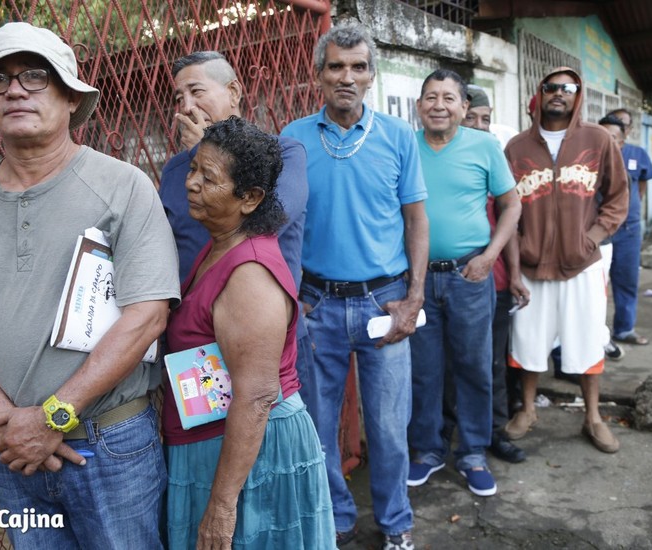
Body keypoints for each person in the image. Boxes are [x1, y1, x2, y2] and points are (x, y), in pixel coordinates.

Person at [0, 22, 179, 548]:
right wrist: (8, 422)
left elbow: (147, 317)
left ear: (70, 98)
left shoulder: (123, 186)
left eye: (35, 76)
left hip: (107, 443)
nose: (15, 90)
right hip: (11, 450)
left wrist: (53, 417)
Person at [281, 21, 428, 550]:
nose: (347, 77)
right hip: (316, 304)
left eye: (358, 67)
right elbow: (281, 222)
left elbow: (416, 220)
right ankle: (337, 517)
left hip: (384, 302)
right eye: (336, 66)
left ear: (371, 76)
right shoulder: (293, 138)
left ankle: (395, 522)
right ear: (319, 74)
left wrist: (414, 297)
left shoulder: (398, 136)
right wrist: (290, 294)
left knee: (388, 427)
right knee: (317, 427)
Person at [161, 117, 334, 549]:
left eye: (208, 177)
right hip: (217, 442)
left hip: (250, 453)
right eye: (193, 169)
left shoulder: (250, 273)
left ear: (250, 198)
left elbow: (256, 397)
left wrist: (222, 505)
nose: (191, 183)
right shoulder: (220, 245)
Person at [158, 51, 316, 415]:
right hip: (198, 347)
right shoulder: (175, 171)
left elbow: (270, 218)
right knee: (210, 442)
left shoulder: (284, 153)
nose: (187, 106)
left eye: (197, 91)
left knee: (281, 435)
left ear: (233, 92)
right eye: (179, 98)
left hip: (272, 341)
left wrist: (206, 152)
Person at [406, 71, 520, 498]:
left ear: (464, 107)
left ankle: (472, 453)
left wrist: (489, 256)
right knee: (424, 370)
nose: (439, 105)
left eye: (449, 98)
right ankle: (427, 449)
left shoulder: (484, 146)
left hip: (468, 277)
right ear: (419, 105)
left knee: (474, 367)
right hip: (417, 279)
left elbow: (511, 206)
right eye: (431, 97)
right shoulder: (406, 146)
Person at [503, 67, 628, 454]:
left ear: (578, 95)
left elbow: (618, 196)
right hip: (532, 265)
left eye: (568, 88)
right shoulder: (517, 148)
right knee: (527, 342)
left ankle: (593, 417)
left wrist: (592, 238)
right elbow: (505, 206)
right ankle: (528, 410)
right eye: (551, 87)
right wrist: (519, 249)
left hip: (582, 265)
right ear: (539, 93)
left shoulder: (598, 139)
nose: (559, 93)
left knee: (588, 341)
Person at [460, 84, 526, 464]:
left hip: (495, 280)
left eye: (485, 119)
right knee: (453, 365)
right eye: (472, 118)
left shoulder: (492, 159)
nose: (479, 126)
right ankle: (450, 436)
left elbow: (509, 221)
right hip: (453, 280)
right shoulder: (436, 158)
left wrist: (513, 274)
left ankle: (494, 433)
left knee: (492, 362)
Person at [603, 109, 652, 346]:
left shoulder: (637, 154)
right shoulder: (591, 156)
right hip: (599, 231)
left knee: (626, 279)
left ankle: (624, 329)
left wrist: (631, 208)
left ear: (626, 132)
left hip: (628, 230)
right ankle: (596, 336)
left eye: (623, 125)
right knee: (595, 285)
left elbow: (641, 185)